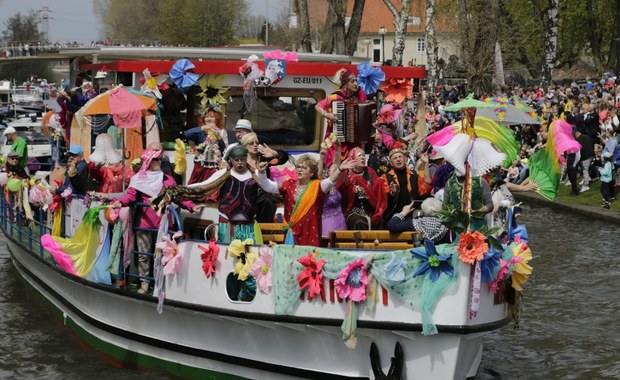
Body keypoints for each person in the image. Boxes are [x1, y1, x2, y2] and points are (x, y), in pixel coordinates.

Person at [109, 143, 196, 293]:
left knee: (164, 255)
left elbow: (178, 196)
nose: (160, 162)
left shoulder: (167, 179)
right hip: (144, 223)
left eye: (161, 159)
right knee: (144, 255)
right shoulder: (138, 179)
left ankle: (162, 284)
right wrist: (119, 202)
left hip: (164, 223)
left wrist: (191, 206)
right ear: (148, 161)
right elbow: (130, 196)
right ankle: (144, 284)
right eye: (156, 159)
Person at [256, 154, 355, 246]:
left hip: (310, 233)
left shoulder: (317, 186)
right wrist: (261, 173)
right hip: (292, 233)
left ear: (312, 173)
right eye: (298, 167)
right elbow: (268, 186)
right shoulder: (288, 185)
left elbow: (330, 181)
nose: (300, 170)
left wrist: (340, 169)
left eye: (304, 168)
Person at [314, 68, 367, 166]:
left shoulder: (359, 95)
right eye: (352, 81)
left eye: (356, 81)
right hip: (334, 136)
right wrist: (327, 114)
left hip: (354, 139)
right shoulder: (335, 96)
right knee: (333, 163)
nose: (356, 84)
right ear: (345, 84)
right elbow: (318, 106)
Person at [240, 132, 289, 223]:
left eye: (257, 143)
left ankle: (265, 232)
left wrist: (274, 153)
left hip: (263, 195)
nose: (255, 145)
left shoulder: (263, 158)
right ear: (244, 146)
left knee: (268, 202)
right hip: (245, 194)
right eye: (251, 143)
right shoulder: (240, 160)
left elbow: (284, 158)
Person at [337, 147, 387, 230]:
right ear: (352, 158)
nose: (363, 157)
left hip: (370, 210)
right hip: (353, 210)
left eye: (364, 155)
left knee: (379, 220)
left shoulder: (370, 172)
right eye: (359, 155)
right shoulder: (346, 174)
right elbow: (340, 191)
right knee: (359, 222)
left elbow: (377, 191)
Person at [381, 142, 426, 223]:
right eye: (395, 158)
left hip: (413, 216)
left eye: (400, 157)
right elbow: (383, 202)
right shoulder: (385, 177)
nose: (398, 159)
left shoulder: (414, 175)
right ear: (391, 162)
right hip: (393, 216)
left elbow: (422, 195)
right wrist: (392, 194)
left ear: (405, 159)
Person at [386, 197, 451, 244]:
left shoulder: (415, 223)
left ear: (423, 211)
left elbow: (392, 225)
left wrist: (404, 212)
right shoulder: (448, 226)